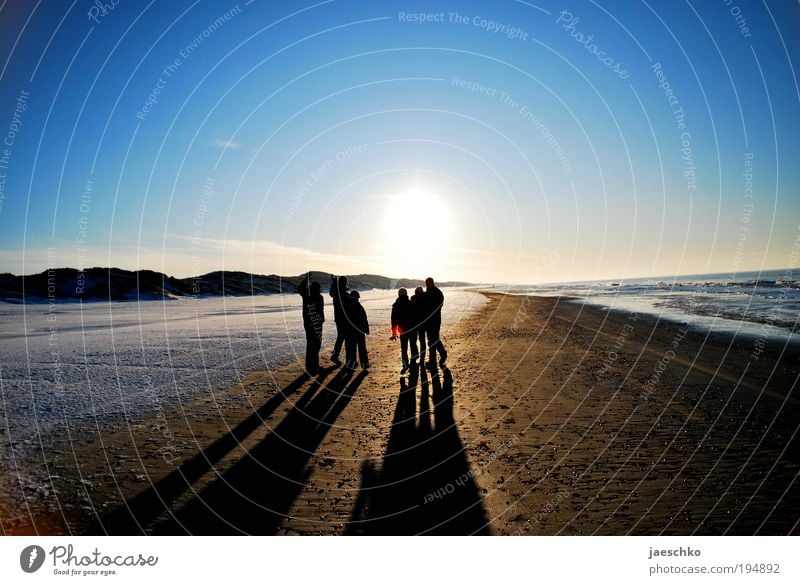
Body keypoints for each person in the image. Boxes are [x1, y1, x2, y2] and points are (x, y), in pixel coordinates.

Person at [297, 272, 324, 375]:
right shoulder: (313, 296)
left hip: (311, 323)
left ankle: (313, 366)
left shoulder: (308, 295)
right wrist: (306, 281)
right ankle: (312, 368)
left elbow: (299, 289)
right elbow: (300, 289)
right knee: (314, 345)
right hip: (313, 324)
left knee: (313, 344)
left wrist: (306, 280)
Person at [390, 288, 417, 374]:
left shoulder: (396, 305)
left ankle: (405, 363)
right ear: (406, 294)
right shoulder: (412, 304)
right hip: (412, 328)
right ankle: (414, 360)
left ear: (399, 295)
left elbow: (394, 320)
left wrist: (394, 333)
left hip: (402, 330)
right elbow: (417, 317)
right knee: (413, 345)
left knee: (404, 348)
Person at [423, 276, 447, 369]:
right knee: (431, 340)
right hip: (429, 321)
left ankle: (441, 354)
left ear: (432, 283)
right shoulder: (429, 292)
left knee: (434, 339)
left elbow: (439, 305)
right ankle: (432, 361)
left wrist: (431, 310)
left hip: (435, 320)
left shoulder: (437, 293)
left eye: (428, 283)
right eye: (426, 283)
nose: (427, 285)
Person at [346, 290, 370, 370]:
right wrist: (366, 329)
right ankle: (364, 364)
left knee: (352, 349)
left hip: (351, 331)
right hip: (359, 331)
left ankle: (351, 365)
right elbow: (364, 319)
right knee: (362, 348)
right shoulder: (359, 306)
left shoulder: (347, 306)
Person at [328, 275, 350, 366]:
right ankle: (339, 356)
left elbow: (332, 292)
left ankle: (336, 354)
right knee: (345, 337)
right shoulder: (344, 294)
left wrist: (334, 283)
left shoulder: (336, 294)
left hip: (338, 318)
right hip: (344, 318)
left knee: (340, 337)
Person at [410, 286, 427, 367]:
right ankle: (419, 356)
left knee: (417, 341)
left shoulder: (414, 299)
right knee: (419, 341)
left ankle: (419, 357)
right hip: (418, 324)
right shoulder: (423, 299)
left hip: (417, 324)